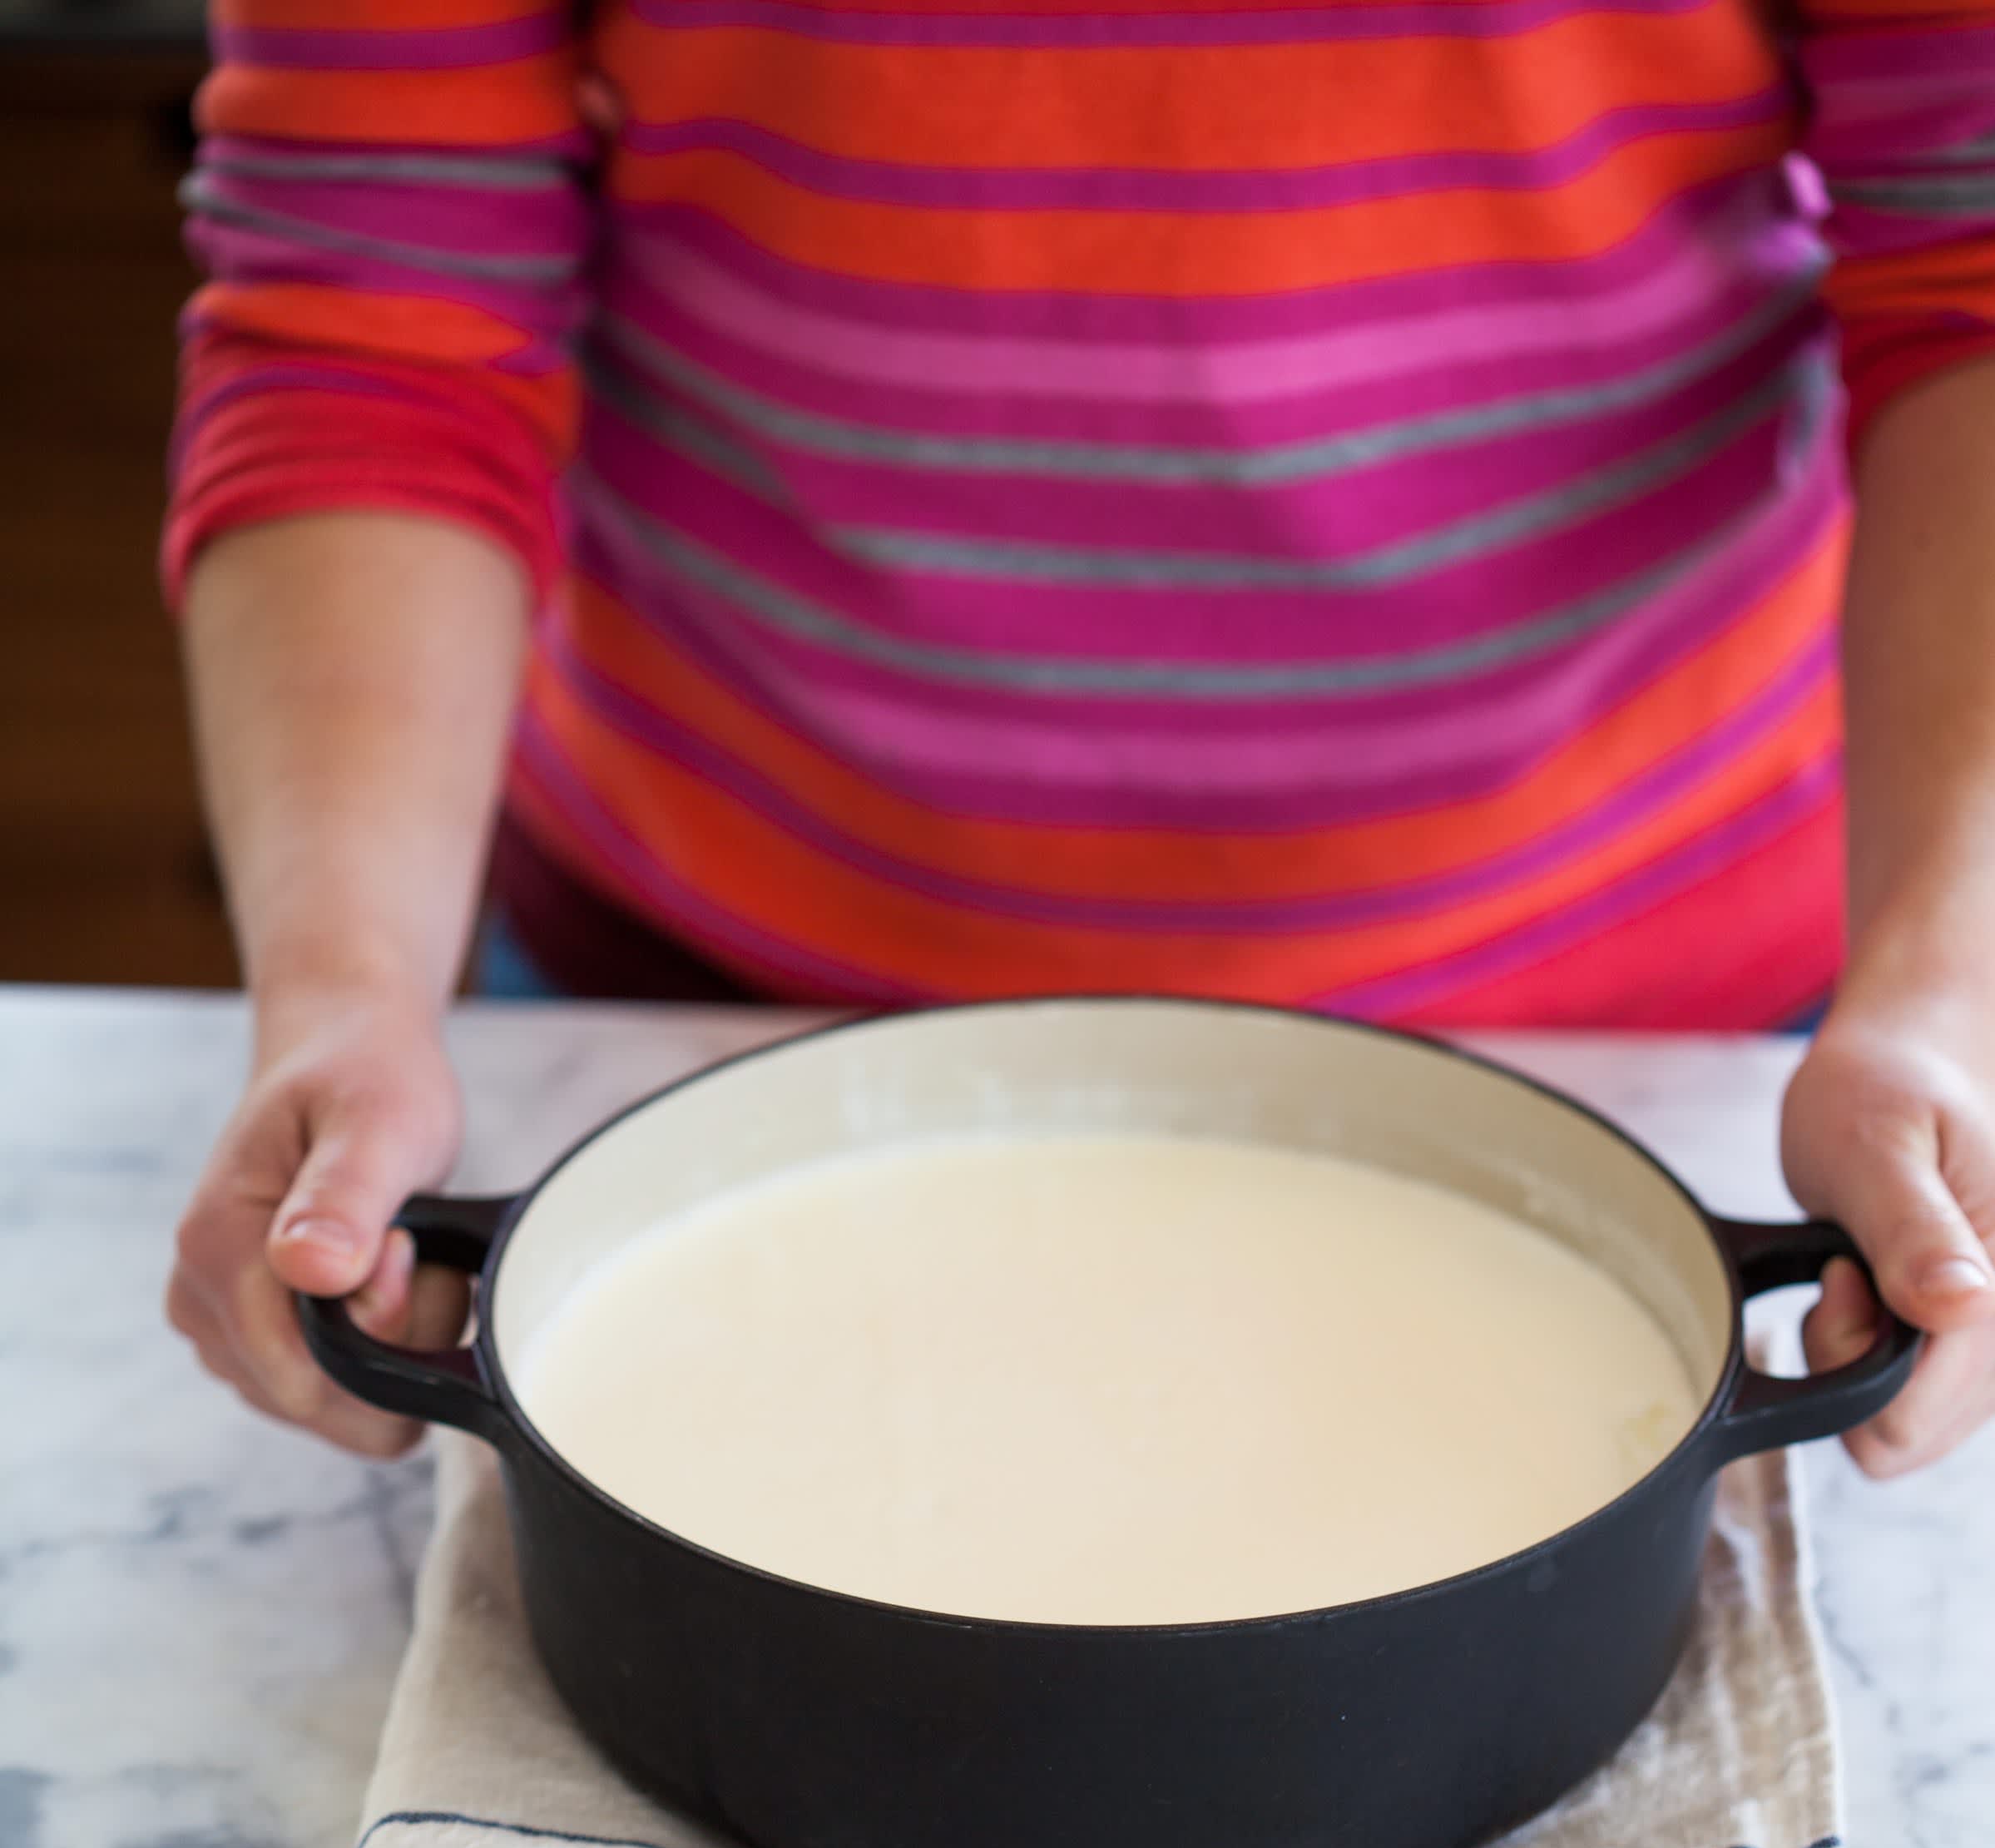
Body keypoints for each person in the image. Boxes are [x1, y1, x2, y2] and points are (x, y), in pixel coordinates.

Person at [166, 0, 1995, 1476]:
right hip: (703, 998)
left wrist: (1940, 989)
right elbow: (375, 318)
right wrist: (345, 992)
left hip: (1665, 1034)